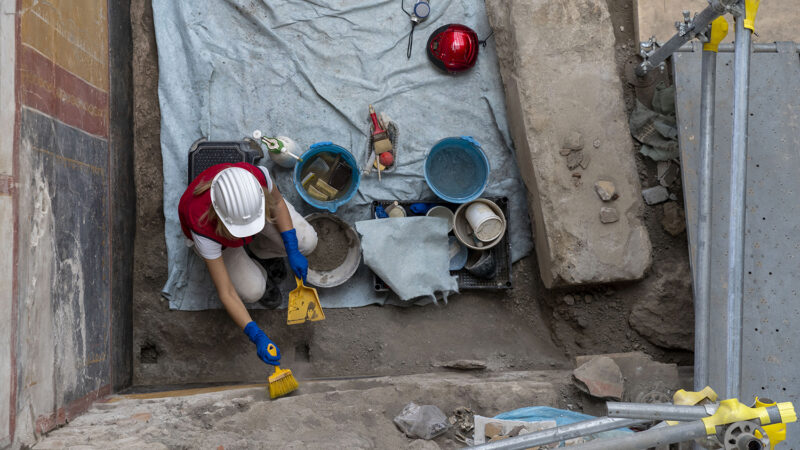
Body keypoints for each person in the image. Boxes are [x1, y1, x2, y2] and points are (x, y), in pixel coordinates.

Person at [178, 162, 317, 366]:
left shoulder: (256, 178)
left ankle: (262, 252)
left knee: (307, 241)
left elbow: (277, 204)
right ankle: (258, 268)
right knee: (253, 292)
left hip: (251, 217)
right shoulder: (201, 223)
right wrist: (256, 335)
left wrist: (292, 248)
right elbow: (227, 292)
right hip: (221, 240)